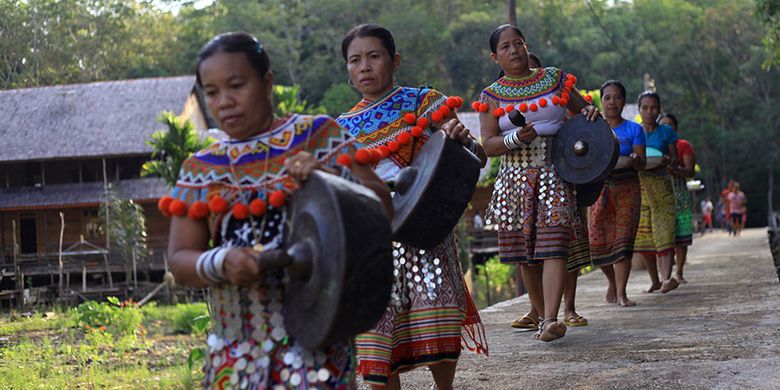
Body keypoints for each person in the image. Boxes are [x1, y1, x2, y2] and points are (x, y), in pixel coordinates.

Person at [166, 32, 393, 389]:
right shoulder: (201, 169)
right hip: (236, 351)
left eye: (236, 85)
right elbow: (180, 259)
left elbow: (382, 207)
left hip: (317, 347)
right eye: (211, 93)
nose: (224, 102)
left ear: (267, 82)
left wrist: (329, 178)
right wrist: (222, 262)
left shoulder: (317, 136)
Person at [336, 24, 488, 390]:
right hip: (375, 239)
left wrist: (464, 142)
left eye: (374, 56)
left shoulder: (425, 102)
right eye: (355, 60)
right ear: (347, 70)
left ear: (395, 60)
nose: (365, 67)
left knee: (435, 315)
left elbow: (478, 159)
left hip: (429, 230)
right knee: (378, 332)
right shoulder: (342, 128)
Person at [478, 24, 598, 341]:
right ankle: (541, 314)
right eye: (505, 47)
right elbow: (488, 144)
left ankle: (550, 320)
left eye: (518, 43)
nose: (514, 50)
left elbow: (583, 110)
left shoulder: (554, 79)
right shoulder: (490, 96)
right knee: (523, 251)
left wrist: (591, 115)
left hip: (555, 170)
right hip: (513, 176)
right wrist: (516, 137)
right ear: (494, 56)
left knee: (555, 244)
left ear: (526, 45)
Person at [588, 80, 646, 307]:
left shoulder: (634, 129)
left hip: (627, 188)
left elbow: (641, 163)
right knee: (596, 241)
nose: (612, 102)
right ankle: (612, 281)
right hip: (598, 187)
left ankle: (621, 293)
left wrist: (635, 159)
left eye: (617, 97)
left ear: (624, 101)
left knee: (623, 242)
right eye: (607, 97)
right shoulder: (592, 126)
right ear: (601, 101)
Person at [633, 91, 679, 294]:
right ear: (639, 109)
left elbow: (674, 159)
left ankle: (667, 278)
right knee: (644, 235)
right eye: (645, 107)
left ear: (659, 109)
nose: (649, 111)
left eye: (653, 107)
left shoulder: (667, 131)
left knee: (664, 231)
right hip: (640, 185)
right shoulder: (634, 131)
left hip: (661, 183)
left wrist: (669, 161)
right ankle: (655, 281)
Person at [660, 113, 696, 283]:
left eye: (670, 125)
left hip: (679, 193)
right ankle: (663, 277)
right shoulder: (653, 144)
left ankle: (679, 271)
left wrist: (676, 170)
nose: (667, 128)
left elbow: (690, 172)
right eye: (663, 125)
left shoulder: (683, 146)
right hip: (658, 192)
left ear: (675, 128)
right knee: (662, 234)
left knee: (681, 235)